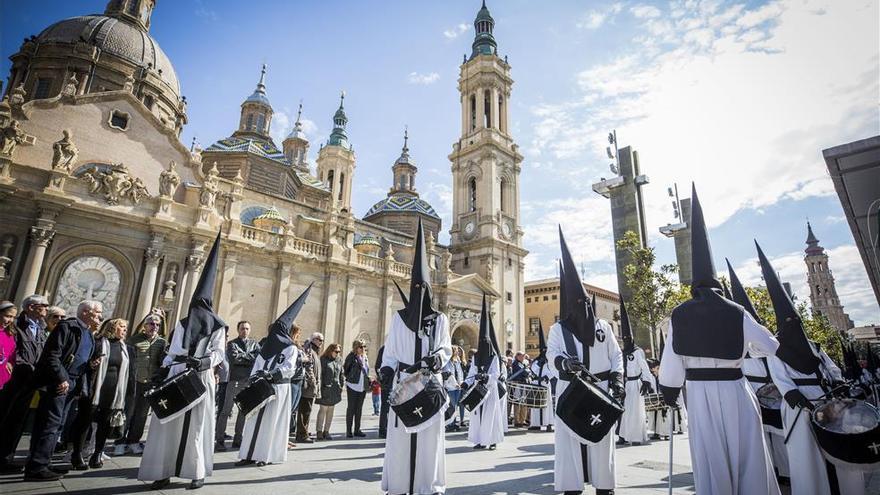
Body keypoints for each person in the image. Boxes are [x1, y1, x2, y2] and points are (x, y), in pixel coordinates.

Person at [658, 186, 780, 495]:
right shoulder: (737, 311)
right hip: (737, 389)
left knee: (710, 458)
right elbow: (770, 347)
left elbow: (672, 364)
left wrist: (669, 392)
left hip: (699, 395)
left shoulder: (680, 314)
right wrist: (744, 349)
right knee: (748, 456)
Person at [758, 244, 866, 495]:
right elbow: (781, 379)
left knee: (838, 449)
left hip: (826, 400)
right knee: (808, 455)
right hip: (800, 407)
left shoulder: (815, 347)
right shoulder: (778, 351)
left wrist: (838, 385)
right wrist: (798, 399)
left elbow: (831, 368)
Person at [138, 232, 226, 490]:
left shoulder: (217, 327)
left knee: (197, 427)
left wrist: (202, 362)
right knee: (167, 425)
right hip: (177, 375)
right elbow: (173, 349)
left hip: (200, 377)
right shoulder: (182, 323)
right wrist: (166, 368)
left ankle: (196, 470)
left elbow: (219, 353)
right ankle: (162, 471)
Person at [548, 227, 624, 495]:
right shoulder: (559, 330)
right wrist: (566, 365)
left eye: (585, 303)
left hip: (601, 392)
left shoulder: (604, 326)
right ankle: (572, 487)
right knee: (570, 445)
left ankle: (604, 487)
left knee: (601, 444)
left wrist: (617, 379)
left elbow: (616, 356)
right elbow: (551, 357)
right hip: (571, 393)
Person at [379, 219, 452, 495]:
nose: (420, 294)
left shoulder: (440, 319)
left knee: (429, 440)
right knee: (400, 439)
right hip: (404, 383)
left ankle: (427, 485)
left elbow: (445, 348)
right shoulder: (399, 319)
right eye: (416, 289)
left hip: (428, 384)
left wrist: (436, 360)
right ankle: (399, 484)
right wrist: (387, 371)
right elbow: (390, 352)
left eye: (424, 290)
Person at [24, 300, 102, 481]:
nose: (100, 316)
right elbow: (52, 355)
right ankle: (36, 467)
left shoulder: (88, 334)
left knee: (58, 425)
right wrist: (62, 378)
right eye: (97, 312)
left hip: (72, 384)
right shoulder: (67, 327)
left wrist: (90, 365)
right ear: (85, 312)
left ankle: (43, 461)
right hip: (58, 384)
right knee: (49, 425)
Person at [727, 259, 790, 484]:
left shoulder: (759, 336)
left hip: (775, 392)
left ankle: (784, 472)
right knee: (756, 437)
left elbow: (771, 351)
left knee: (781, 436)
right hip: (749, 390)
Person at [236, 286, 309, 467]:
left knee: (270, 423)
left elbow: (289, 369)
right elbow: (258, 364)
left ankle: (265, 455)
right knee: (253, 422)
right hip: (261, 388)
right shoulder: (267, 347)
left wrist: (271, 374)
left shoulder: (291, 348)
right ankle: (248, 454)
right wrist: (256, 376)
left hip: (278, 388)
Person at [70, 318, 131, 469]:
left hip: (113, 391)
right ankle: (77, 454)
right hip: (94, 388)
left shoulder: (125, 347)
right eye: (121, 327)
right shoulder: (98, 342)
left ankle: (97, 453)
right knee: (85, 421)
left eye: (125, 327)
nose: (124, 330)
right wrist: (91, 364)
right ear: (112, 327)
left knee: (105, 423)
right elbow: (85, 361)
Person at [0, 295, 49, 473]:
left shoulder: (41, 328)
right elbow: (14, 350)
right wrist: (24, 367)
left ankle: (6, 457)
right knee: (5, 417)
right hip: (14, 380)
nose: (47, 308)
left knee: (17, 420)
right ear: (31, 307)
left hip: (30, 381)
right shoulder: (17, 326)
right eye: (43, 305)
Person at [120, 312, 166, 455]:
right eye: (152, 324)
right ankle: (120, 442)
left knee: (141, 414)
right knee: (127, 412)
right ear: (144, 326)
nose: (155, 327)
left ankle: (134, 441)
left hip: (150, 383)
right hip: (134, 382)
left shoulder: (162, 342)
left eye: (157, 324)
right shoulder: (133, 340)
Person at [464, 295, 505, 450]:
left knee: (490, 416)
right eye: (481, 342)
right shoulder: (476, 358)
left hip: (490, 390)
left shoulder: (494, 357)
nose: (483, 344)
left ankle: (492, 440)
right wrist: (466, 382)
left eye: (486, 342)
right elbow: (471, 372)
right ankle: (480, 440)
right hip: (477, 389)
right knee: (478, 416)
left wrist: (486, 376)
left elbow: (496, 374)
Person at [216, 320, 259, 451]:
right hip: (234, 381)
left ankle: (238, 439)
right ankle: (219, 440)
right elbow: (235, 358)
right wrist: (249, 357)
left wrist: (245, 357)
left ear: (249, 330)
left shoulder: (254, 344)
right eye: (242, 328)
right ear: (238, 330)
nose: (244, 331)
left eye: (246, 328)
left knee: (243, 412)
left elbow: (257, 357)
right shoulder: (232, 344)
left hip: (248, 381)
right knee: (225, 411)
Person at [616, 301, 653, 446]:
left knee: (636, 412)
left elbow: (644, 368)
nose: (625, 341)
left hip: (636, 384)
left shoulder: (638, 352)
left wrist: (647, 381)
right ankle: (623, 436)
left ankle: (636, 436)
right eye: (624, 339)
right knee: (623, 412)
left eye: (627, 339)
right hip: (624, 385)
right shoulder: (622, 352)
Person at [296, 332, 323, 444]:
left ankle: (304, 432)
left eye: (322, 340)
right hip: (308, 386)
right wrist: (313, 382)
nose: (321, 342)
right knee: (304, 410)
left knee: (307, 409)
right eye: (319, 339)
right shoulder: (308, 349)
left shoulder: (315, 350)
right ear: (313, 339)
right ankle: (301, 435)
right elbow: (308, 367)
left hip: (311, 385)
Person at [528, 321, 554, 432]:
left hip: (544, 384)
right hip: (535, 385)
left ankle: (548, 423)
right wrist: (538, 364)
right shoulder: (536, 361)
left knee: (546, 404)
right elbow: (532, 370)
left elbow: (553, 371)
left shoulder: (549, 362)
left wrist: (547, 376)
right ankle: (535, 423)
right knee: (535, 405)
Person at [315, 343, 343, 440]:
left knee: (331, 410)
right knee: (323, 409)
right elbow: (320, 375)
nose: (338, 353)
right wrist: (319, 388)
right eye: (336, 351)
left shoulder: (339, 360)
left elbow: (341, 374)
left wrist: (341, 386)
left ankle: (326, 431)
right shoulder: (323, 360)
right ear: (331, 351)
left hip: (335, 389)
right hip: (325, 388)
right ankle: (319, 431)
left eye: (339, 352)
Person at [344, 339, 370, 438]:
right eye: (361, 347)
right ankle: (349, 431)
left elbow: (366, 370)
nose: (363, 348)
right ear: (356, 347)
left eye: (364, 346)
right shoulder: (351, 357)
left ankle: (357, 429)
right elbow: (346, 369)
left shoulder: (365, 357)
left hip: (362, 386)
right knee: (351, 408)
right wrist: (350, 378)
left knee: (359, 409)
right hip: (352, 385)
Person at [287, 329, 304, 448]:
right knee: (287, 411)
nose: (298, 336)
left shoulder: (296, 345)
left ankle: (285, 438)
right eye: (297, 333)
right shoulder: (288, 345)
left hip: (299, 380)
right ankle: (283, 439)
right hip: (292, 380)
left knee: (292, 411)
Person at [442, 345, 465, 431]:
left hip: (458, 387)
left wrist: (461, 383)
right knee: (451, 405)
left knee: (455, 406)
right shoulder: (447, 362)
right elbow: (449, 374)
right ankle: (449, 423)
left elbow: (460, 373)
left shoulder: (457, 361)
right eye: (455, 350)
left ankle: (454, 422)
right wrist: (455, 384)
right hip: (450, 387)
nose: (457, 352)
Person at [509, 351, 529, 427]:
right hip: (518, 384)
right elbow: (524, 372)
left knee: (524, 402)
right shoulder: (516, 364)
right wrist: (527, 371)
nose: (523, 357)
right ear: (517, 356)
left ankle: (522, 420)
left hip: (523, 384)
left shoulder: (522, 363)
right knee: (517, 402)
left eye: (524, 356)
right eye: (522, 356)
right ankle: (517, 420)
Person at [0, 301, 18, 390]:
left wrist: (9, 362)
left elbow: (11, 355)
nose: (10, 320)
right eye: (8, 316)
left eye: (13, 317)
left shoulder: (9, 334)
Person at [375, 344, 390, 438]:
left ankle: (385, 429)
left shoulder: (384, 348)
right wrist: (383, 379)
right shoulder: (385, 349)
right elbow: (377, 366)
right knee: (385, 407)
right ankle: (383, 430)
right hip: (387, 383)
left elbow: (377, 366)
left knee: (386, 407)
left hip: (389, 383)